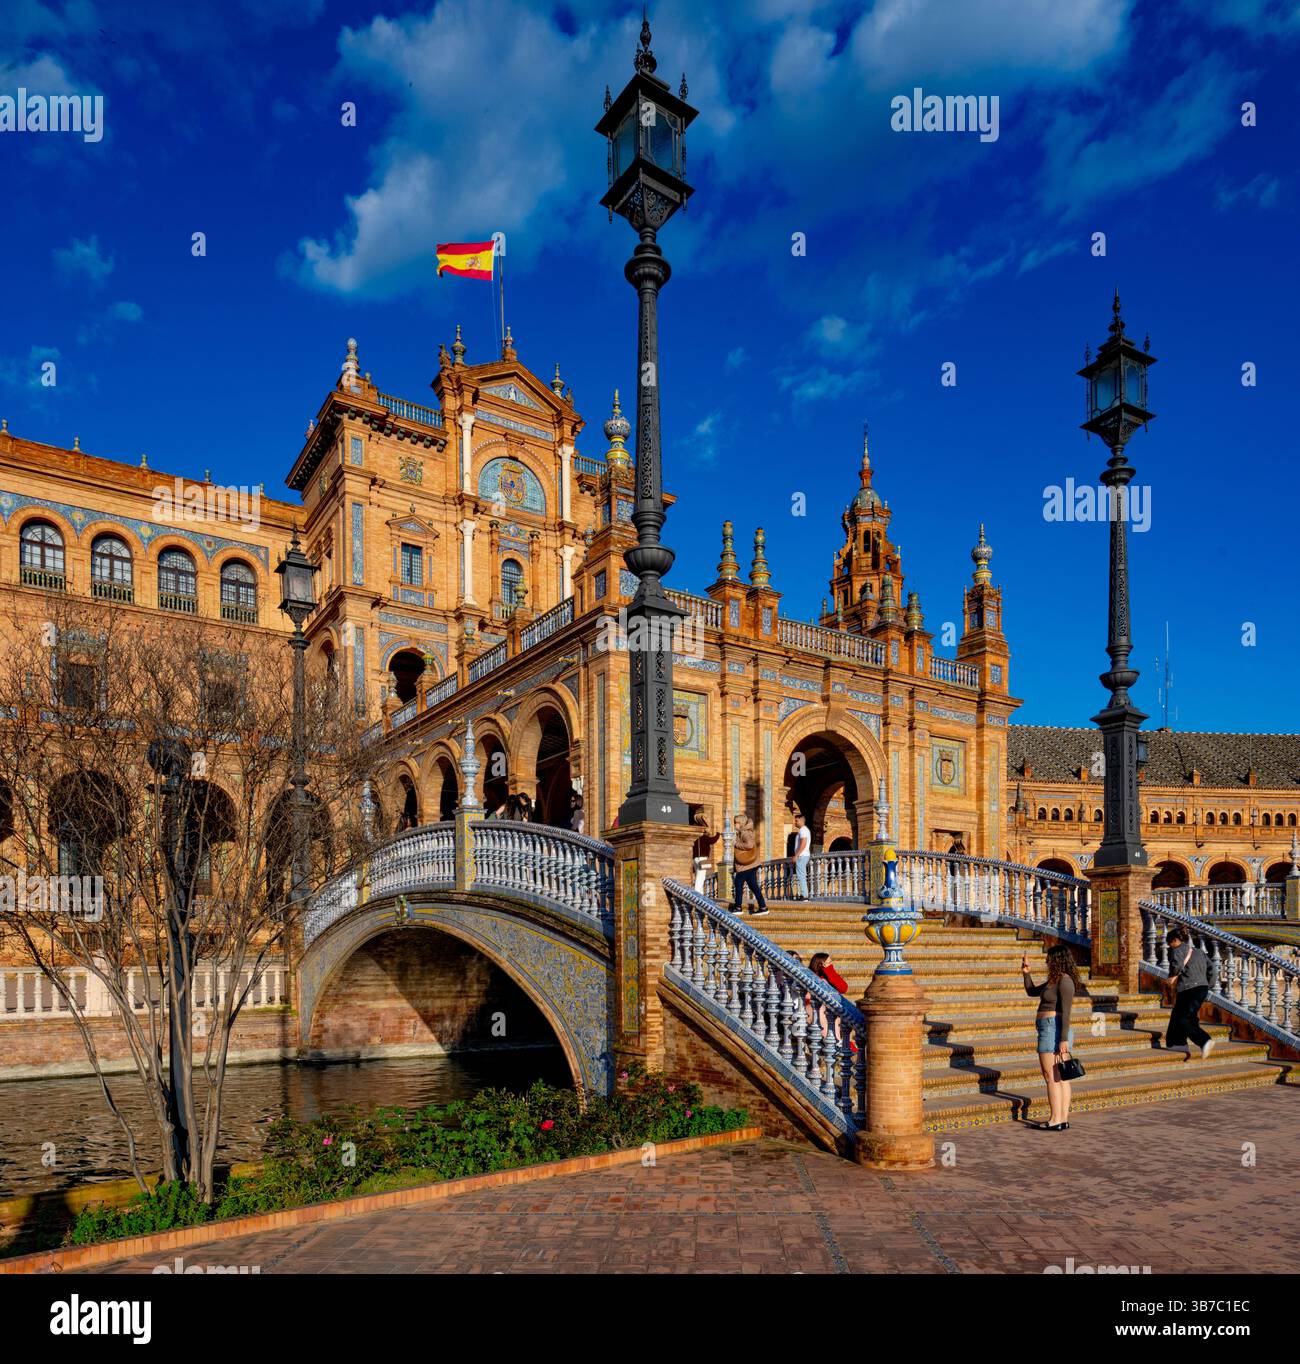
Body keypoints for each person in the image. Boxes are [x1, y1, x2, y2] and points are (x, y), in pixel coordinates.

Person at [1021, 944, 1084, 1130]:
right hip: (1049, 1028)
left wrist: (1063, 1039)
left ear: (1057, 960)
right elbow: (1032, 991)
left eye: (1050, 958)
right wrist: (1026, 973)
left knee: (1052, 1076)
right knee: (1059, 1076)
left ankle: (1056, 1119)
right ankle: (1061, 1119)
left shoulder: (1065, 981)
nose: (1047, 961)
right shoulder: (1053, 980)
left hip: (1054, 1029)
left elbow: (1066, 1012)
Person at [1164, 928, 1214, 1061]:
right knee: (1179, 1016)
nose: (1169, 946)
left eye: (1170, 943)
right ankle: (1177, 1044)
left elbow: (1176, 965)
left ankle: (1204, 1041)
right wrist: (1208, 984)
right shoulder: (1199, 952)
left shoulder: (1178, 950)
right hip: (1200, 989)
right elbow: (1212, 969)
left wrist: (1172, 976)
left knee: (1184, 1019)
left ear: (1175, 940)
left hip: (1189, 989)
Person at [730, 813, 768, 916]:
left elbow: (749, 845)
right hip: (750, 864)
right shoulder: (743, 832)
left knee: (738, 883)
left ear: (741, 823)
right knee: (753, 886)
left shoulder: (744, 833)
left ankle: (738, 907)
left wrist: (736, 844)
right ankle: (763, 907)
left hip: (746, 865)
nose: (735, 825)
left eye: (736, 823)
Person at [691, 811, 720, 894]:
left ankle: (699, 893)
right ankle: (697, 894)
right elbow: (713, 840)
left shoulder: (694, 836)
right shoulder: (703, 837)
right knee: (701, 877)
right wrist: (718, 833)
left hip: (695, 859)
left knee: (698, 876)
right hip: (702, 858)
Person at [791, 811, 812, 901]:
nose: (795, 822)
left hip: (802, 856)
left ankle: (805, 896)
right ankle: (804, 894)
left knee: (801, 875)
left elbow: (803, 843)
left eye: (796, 821)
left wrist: (796, 855)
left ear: (801, 820)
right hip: (804, 855)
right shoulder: (804, 830)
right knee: (801, 875)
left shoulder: (803, 830)